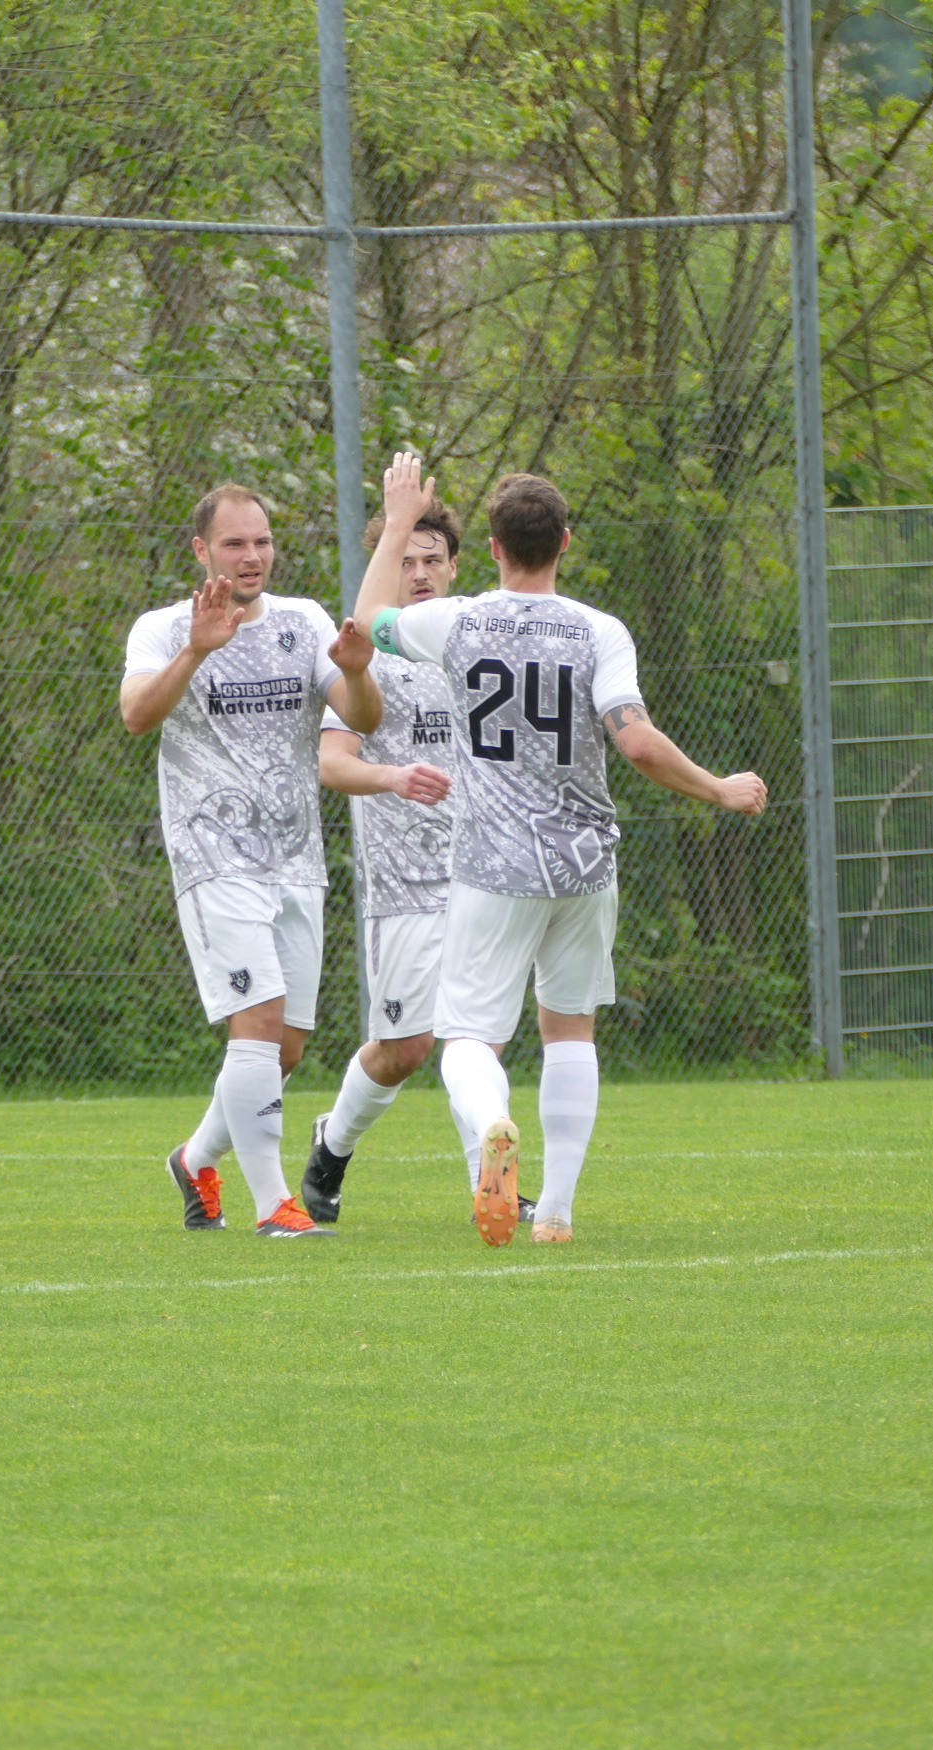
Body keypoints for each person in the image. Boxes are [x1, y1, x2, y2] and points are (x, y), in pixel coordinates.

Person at [352, 454, 767, 1246]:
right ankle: (558, 1214)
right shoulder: (598, 630)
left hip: (492, 867)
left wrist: (400, 521)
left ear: (494, 549)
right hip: (584, 864)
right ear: (565, 543)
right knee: (570, 1030)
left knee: (467, 1038)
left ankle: (493, 1124)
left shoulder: (457, 621)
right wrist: (717, 788)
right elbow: (636, 742)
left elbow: (367, 617)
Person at [121, 484, 383, 1237]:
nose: (252, 556)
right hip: (214, 856)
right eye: (235, 543)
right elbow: (137, 715)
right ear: (201, 550)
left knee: (286, 1046)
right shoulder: (164, 628)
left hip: (296, 858)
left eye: (262, 541)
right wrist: (197, 650)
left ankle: (195, 1158)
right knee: (259, 1021)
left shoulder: (303, 622)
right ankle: (275, 1205)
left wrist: (357, 672)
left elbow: (364, 718)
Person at [298, 499, 524, 1230]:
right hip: (404, 882)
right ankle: (333, 1142)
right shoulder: (366, 656)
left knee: (474, 1038)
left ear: (457, 566)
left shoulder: (481, 643)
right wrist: (394, 777)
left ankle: (489, 1185)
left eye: (433, 560)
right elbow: (333, 763)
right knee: (406, 1049)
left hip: (487, 873)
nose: (420, 573)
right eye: (405, 561)